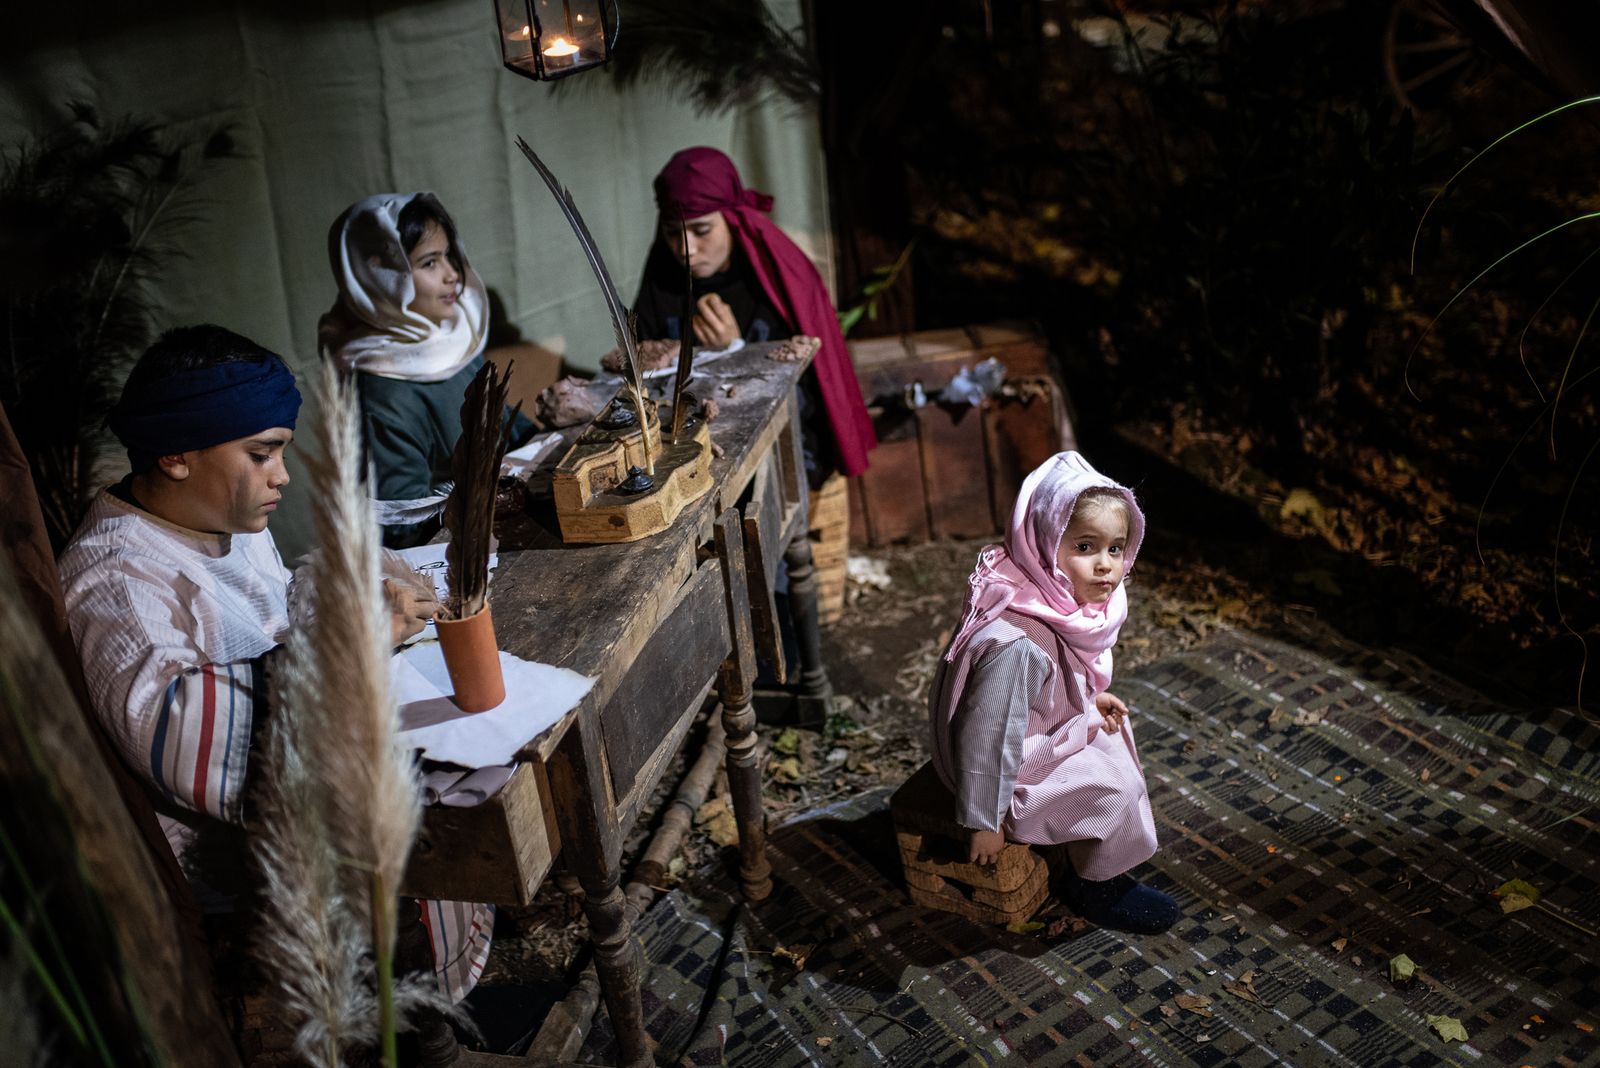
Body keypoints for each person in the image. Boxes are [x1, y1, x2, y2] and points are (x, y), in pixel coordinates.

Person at [57, 324, 489, 1000]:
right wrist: (351, 644)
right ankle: (427, 1009)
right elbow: (181, 732)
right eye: (262, 454)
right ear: (176, 453)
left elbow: (275, 618)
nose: (281, 474)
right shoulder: (117, 581)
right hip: (247, 866)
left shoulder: (216, 519)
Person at [928, 450, 1179, 934]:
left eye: (1115, 548)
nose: (1106, 566)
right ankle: (1096, 886)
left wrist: (1083, 704)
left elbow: (1040, 691)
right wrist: (984, 820)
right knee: (1115, 788)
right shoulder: (1018, 644)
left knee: (1115, 742)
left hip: (1027, 736)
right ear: (1045, 543)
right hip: (998, 774)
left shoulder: (1033, 587)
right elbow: (988, 737)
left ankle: (1097, 855)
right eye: (1085, 547)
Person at [633, 146, 877, 487]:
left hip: (777, 447)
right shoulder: (662, 282)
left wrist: (736, 350)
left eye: (702, 231)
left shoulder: (775, 278)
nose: (686, 249)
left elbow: (808, 386)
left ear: (732, 222)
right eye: (673, 232)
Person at [319, 192, 532, 547]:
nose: (452, 274)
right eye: (430, 263)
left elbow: (505, 427)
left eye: (449, 256)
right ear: (380, 275)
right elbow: (402, 520)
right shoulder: (383, 388)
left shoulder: (445, 342)